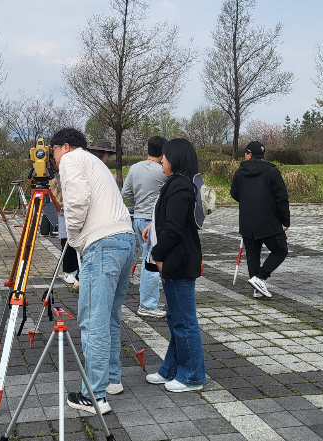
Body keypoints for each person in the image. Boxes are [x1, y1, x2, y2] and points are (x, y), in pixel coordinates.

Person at [49, 128, 135, 415]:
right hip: (125, 238)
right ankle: (111, 379)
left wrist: (73, 237)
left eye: (53, 152)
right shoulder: (96, 162)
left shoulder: (71, 160)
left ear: (63, 146)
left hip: (103, 244)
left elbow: (77, 201)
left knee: (93, 320)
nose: (52, 159)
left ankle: (94, 396)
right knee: (109, 315)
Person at [142, 138, 206, 393]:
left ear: (175, 158)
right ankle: (171, 368)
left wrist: (158, 254)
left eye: (165, 158)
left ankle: (193, 376)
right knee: (175, 318)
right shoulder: (175, 183)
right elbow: (166, 219)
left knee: (184, 321)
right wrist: (151, 228)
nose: (161, 162)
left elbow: (174, 229)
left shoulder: (180, 186)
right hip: (173, 259)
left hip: (178, 261)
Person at [230, 141, 290, 298]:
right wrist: (285, 220)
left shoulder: (239, 172)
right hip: (269, 220)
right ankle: (260, 278)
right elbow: (281, 197)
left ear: (249, 154)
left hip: (247, 220)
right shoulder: (272, 172)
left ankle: (257, 286)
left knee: (253, 254)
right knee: (280, 250)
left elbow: (234, 193)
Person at [121, 136, 168, 318]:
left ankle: (150, 300)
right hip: (154, 221)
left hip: (138, 219)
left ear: (147, 149)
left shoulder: (134, 168)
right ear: (164, 152)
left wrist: (139, 202)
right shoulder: (163, 171)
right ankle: (148, 304)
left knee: (147, 259)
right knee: (153, 263)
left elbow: (126, 193)